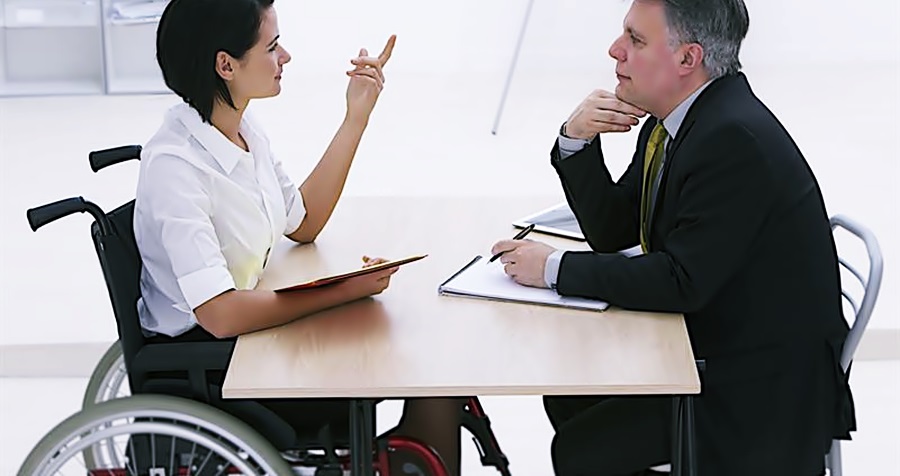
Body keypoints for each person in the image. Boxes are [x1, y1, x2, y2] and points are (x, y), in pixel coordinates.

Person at [490, 0, 856, 474]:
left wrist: (552, 269)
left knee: (579, 450)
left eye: (635, 40)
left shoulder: (732, 140)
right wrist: (576, 139)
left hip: (756, 394)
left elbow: (682, 280)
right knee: (567, 393)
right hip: (710, 346)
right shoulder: (677, 118)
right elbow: (614, 229)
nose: (615, 50)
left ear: (688, 58)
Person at [134, 0, 461, 473]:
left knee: (423, 352)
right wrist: (340, 291)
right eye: (272, 46)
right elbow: (221, 314)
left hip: (253, 337)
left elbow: (303, 222)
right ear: (226, 65)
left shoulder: (243, 131)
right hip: (217, 366)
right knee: (421, 366)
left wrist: (356, 116)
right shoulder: (175, 168)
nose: (285, 57)